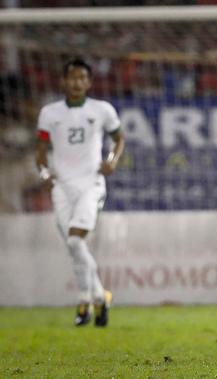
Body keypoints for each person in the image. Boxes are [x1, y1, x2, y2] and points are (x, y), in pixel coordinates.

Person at [35, 58, 124, 327]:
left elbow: (119, 139)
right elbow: (40, 153)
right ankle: (96, 299)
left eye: (81, 78)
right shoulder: (50, 113)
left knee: (75, 242)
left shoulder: (102, 110)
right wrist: (44, 173)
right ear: (64, 81)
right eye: (72, 78)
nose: (76, 83)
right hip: (61, 186)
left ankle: (88, 299)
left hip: (90, 183)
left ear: (88, 82)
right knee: (75, 248)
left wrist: (112, 160)